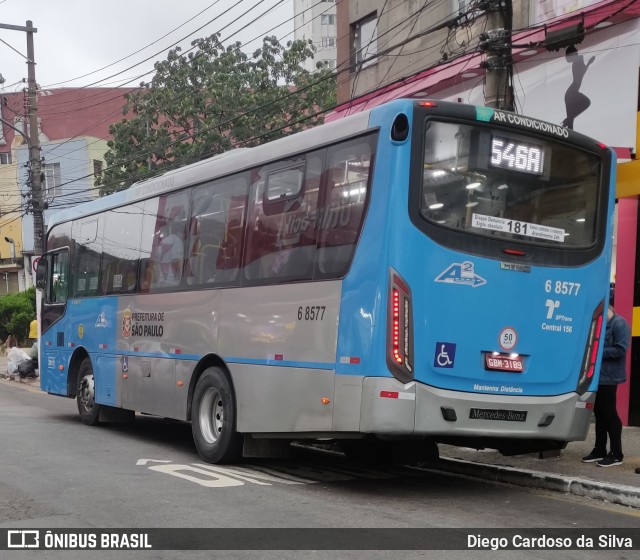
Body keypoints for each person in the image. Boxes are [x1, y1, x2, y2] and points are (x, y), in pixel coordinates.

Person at [581, 304, 630, 467]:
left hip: (610, 376)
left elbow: (620, 350)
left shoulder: (619, 323)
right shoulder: (599, 325)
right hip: (597, 377)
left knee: (609, 414)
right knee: (599, 413)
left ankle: (617, 454)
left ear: (609, 308)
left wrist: (596, 350)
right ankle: (599, 449)